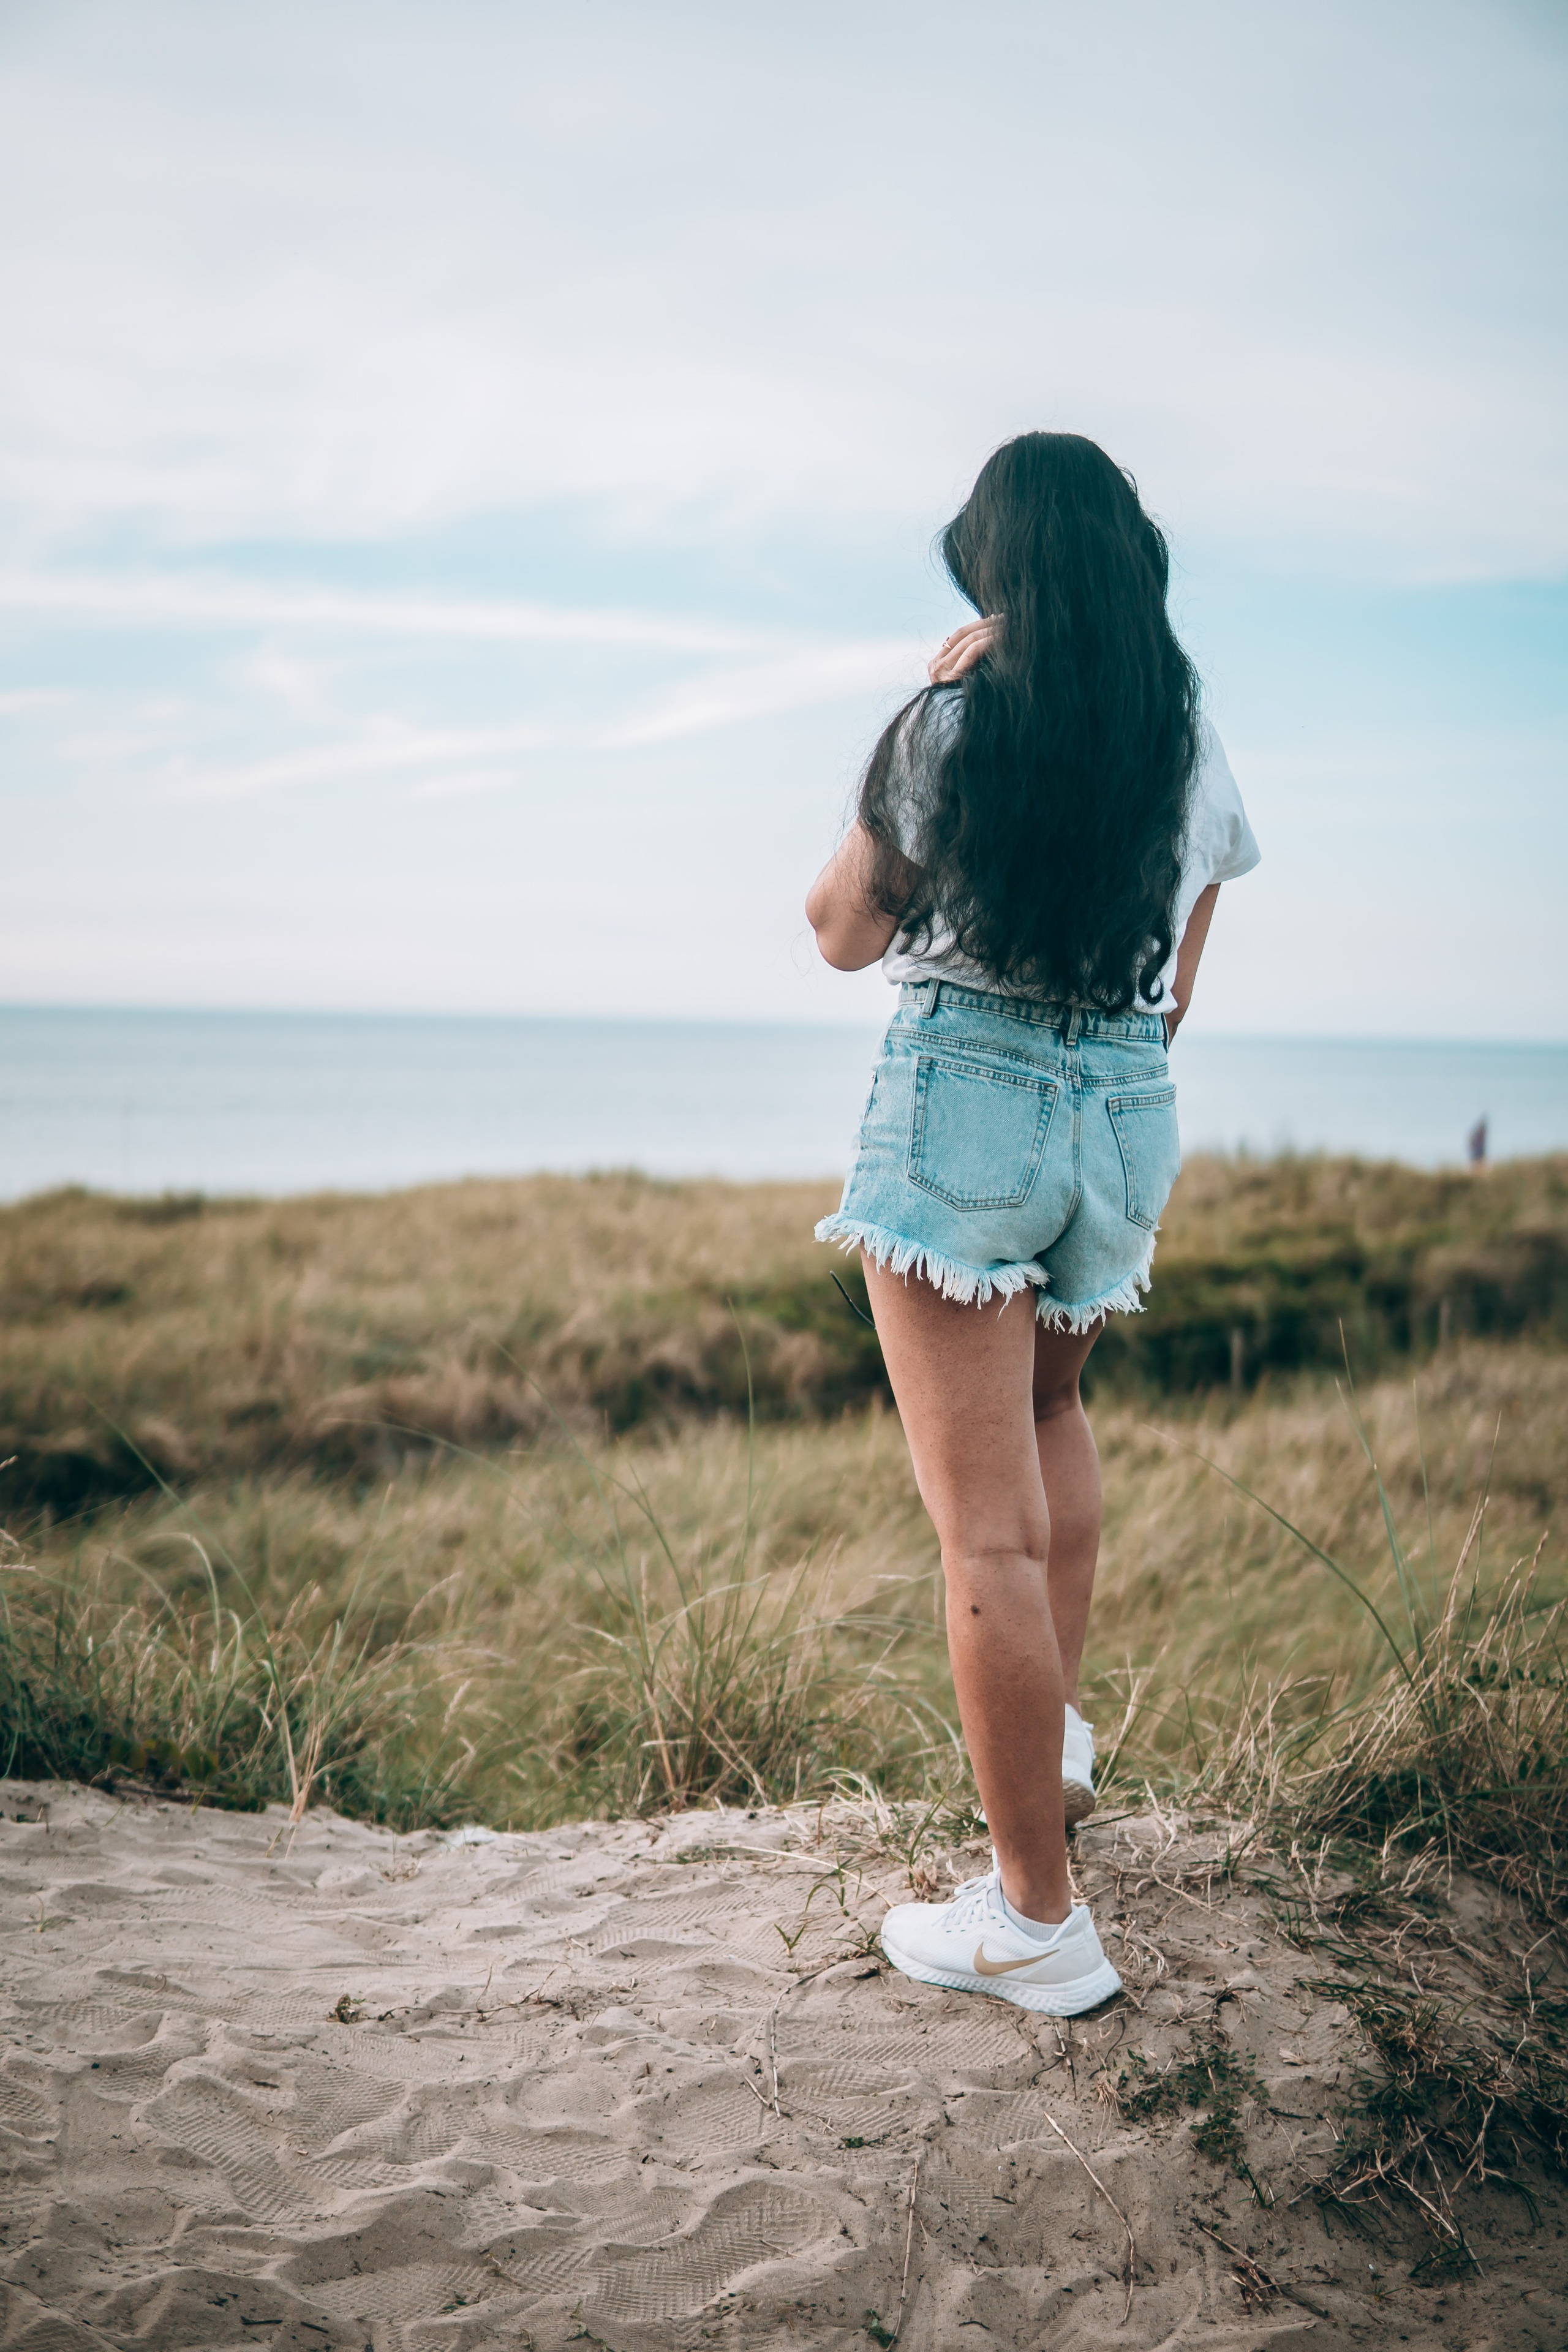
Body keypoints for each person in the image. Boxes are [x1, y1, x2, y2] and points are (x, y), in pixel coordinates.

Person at [804, 432, 1259, 2015]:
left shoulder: (956, 724)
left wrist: (919, 712)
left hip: (967, 1101)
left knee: (980, 1530)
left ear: (999, 578)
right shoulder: (1188, 738)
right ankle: (1048, 1750)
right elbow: (1177, 988)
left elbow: (840, 931)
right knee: (1057, 1415)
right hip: (1125, 1110)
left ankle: (1036, 1921)